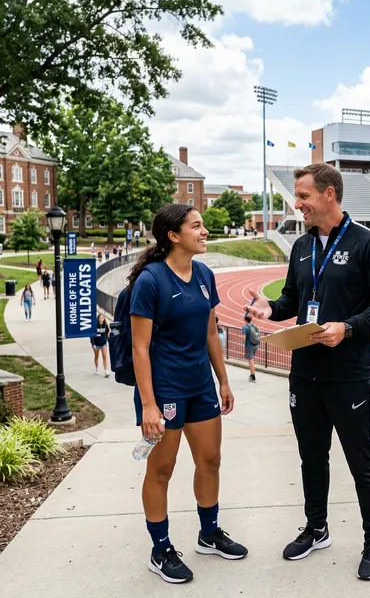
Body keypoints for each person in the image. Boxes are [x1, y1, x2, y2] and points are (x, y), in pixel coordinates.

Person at [245, 162, 370, 581]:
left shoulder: (368, 244)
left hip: (349, 375)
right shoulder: (302, 246)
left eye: (304, 196)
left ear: (329, 194)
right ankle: (316, 528)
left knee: (361, 461)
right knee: (312, 459)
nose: (298, 204)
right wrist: (269, 310)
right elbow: (292, 299)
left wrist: (346, 328)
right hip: (304, 374)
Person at [129, 203, 246, 585]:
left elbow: (211, 332)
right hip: (164, 391)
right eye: (197, 226)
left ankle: (208, 534)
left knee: (210, 460)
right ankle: (160, 549)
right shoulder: (151, 281)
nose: (205, 231)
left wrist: (223, 380)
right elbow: (139, 348)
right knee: (161, 469)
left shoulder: (204, 274)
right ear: (173, 235)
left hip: (201, 386)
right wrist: (148, 404)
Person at [241, 314, 259, 382]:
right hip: (255, 344)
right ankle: (252, 374)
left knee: (251, 361)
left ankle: (253, 376)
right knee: (252, 359)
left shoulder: (245, 327)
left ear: (245, 320)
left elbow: (244, 338)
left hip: (249, 346)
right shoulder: (254, 326)